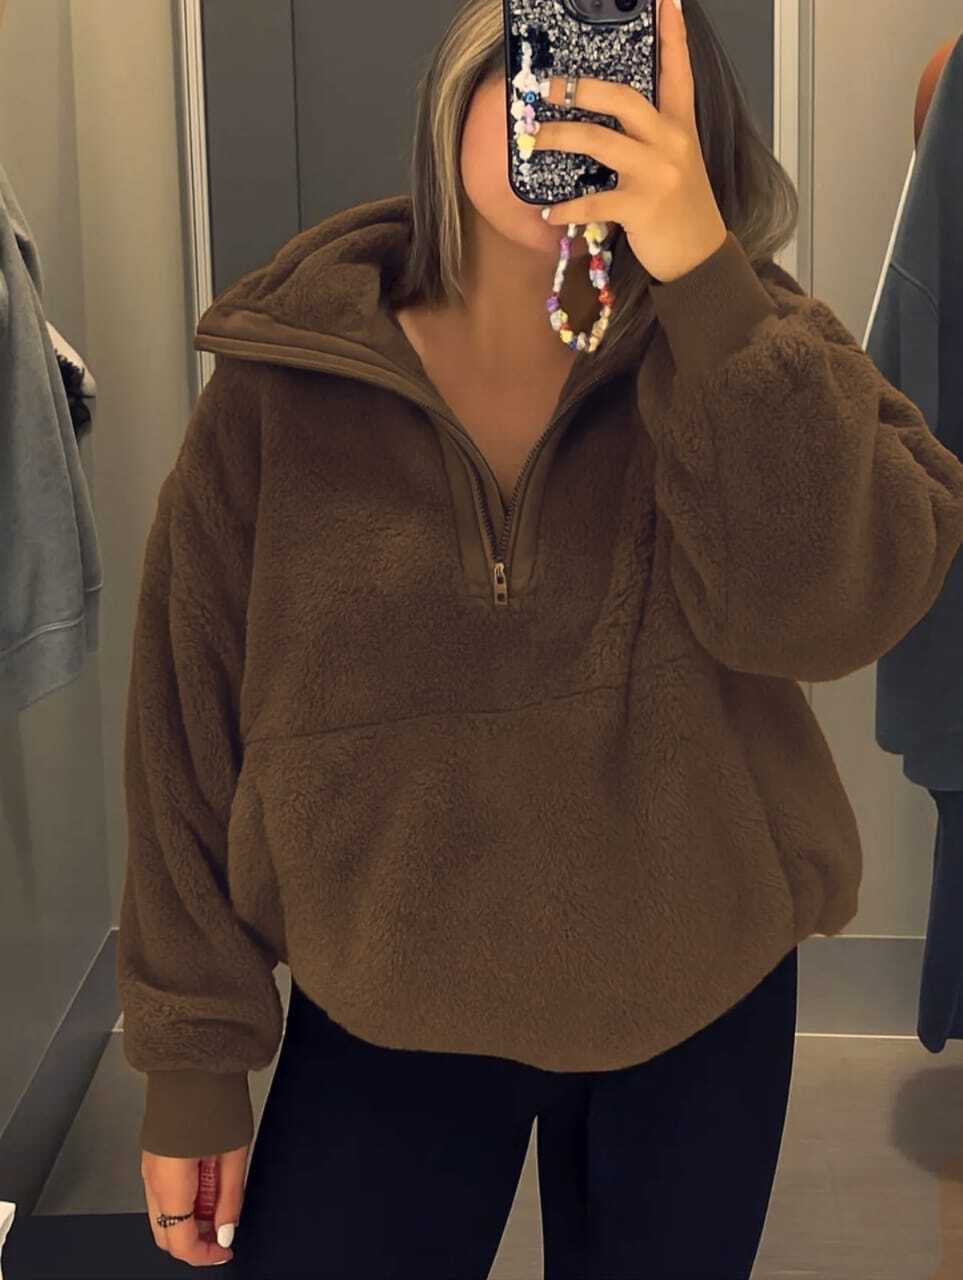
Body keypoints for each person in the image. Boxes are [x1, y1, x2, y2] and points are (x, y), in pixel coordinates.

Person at [120, 0, 963, 1274]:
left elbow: (832, 609)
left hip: (698, 979)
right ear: (465, 77)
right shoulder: (288, 379)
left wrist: (706, 277)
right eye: (538, 59)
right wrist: (193, 1054)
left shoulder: (743, 341)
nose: (569, 103)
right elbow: (183, 715)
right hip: (386, 989)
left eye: (614, 76)